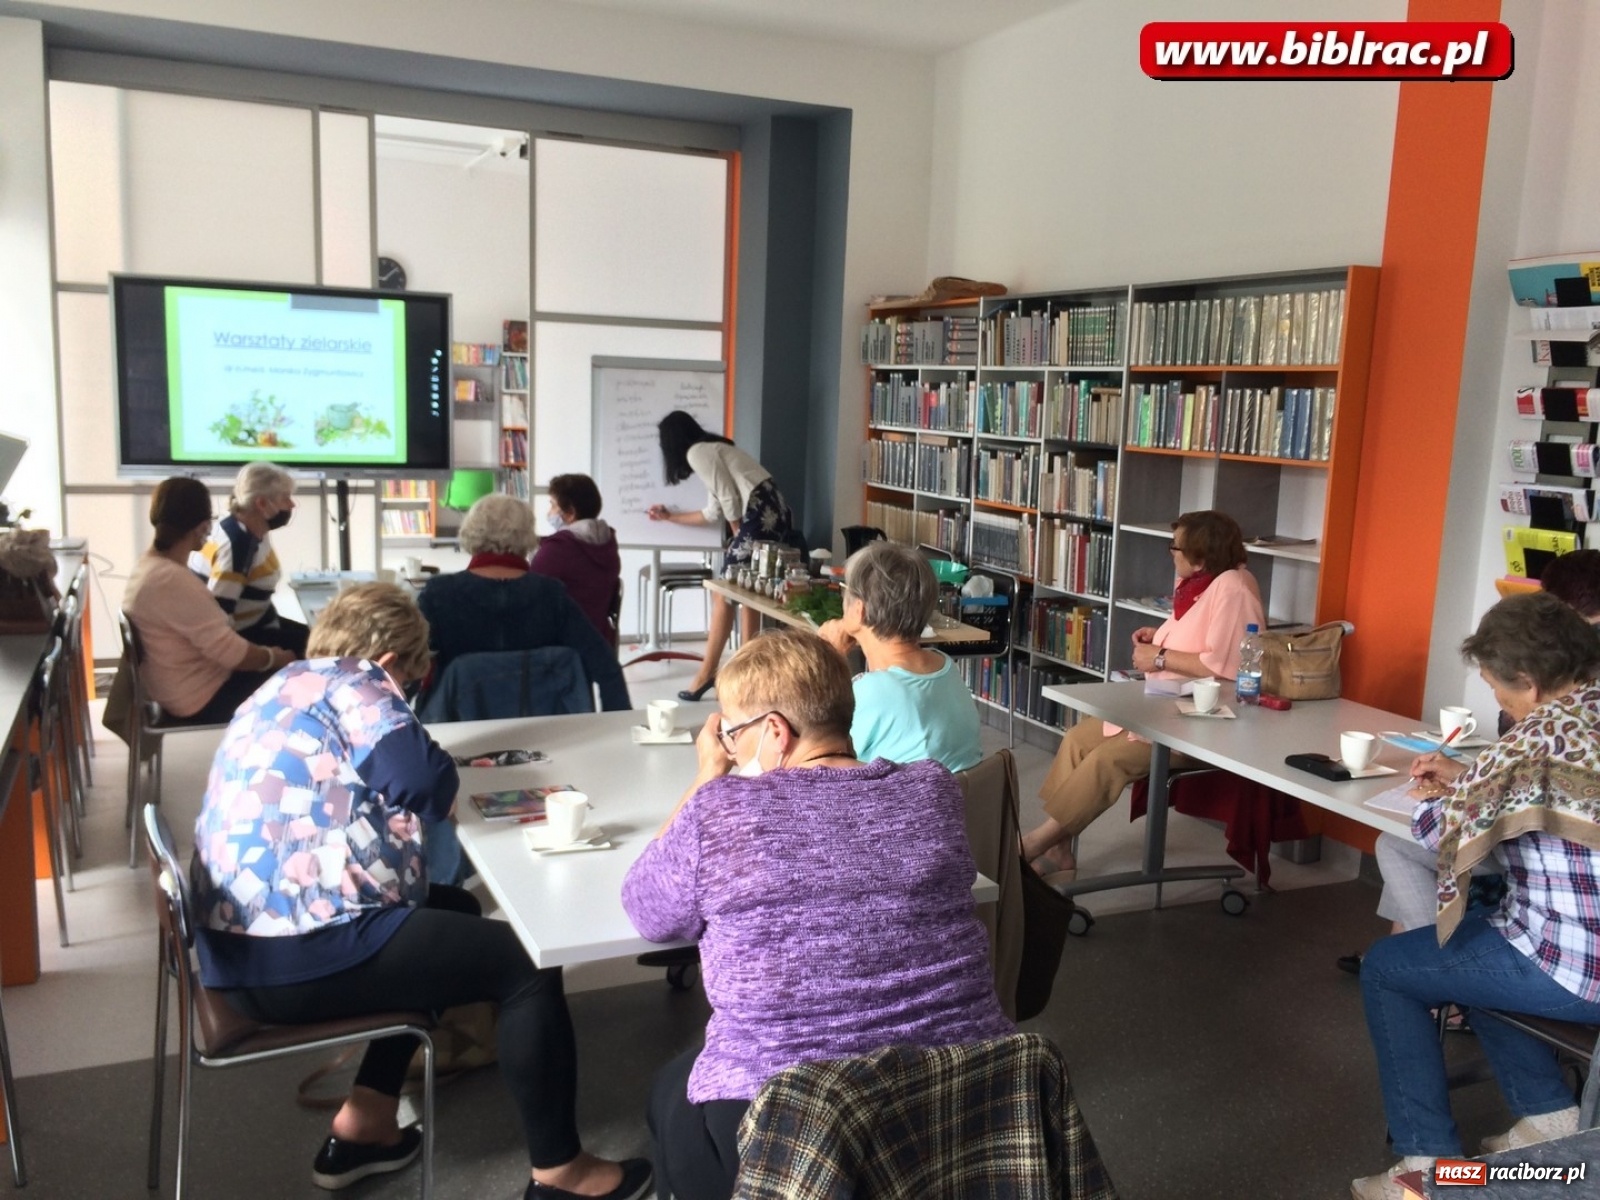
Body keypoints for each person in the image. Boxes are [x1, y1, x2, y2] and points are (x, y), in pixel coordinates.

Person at [190, 582, 652, 1200]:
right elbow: (428, 786)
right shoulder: (360, 681)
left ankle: (367, 1122)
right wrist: (403, 718)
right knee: (527, 963)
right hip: (294, 952)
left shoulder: (287, 685)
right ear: (392, 663)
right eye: (414, 674)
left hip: (237, 942)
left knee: (453, 908)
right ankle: (562, 1175)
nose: (413, 687)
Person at [621, 629, 1014, 1200]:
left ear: (775, 731)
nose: (729, 746)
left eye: (733, 733)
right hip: (962, 1095)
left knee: (671, 1092)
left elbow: (648, 909)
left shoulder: (724, 810)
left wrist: (708, 774)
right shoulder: (933, 790)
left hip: (792, 1120)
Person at [1351, 593, 1600, 1200]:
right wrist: (1474, 780)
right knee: (1481, 935)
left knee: (1389, 968)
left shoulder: (1531, 741)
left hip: (1581, 973)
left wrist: (1439, 796)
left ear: (1529, 682)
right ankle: (1548, 1116)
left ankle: (1425, 1168)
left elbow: (1445, 835)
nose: (1496, 700)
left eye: (1495, 687)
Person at [1338, 548, 1600, 975]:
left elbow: (1451, 818)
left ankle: (1437, 975)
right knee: (1400, 844)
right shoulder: (1571, 698)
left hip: (1561, 888)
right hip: (1539, 821)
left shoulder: (1560, 711)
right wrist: (1470, 777)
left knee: (1410, 843)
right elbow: (1532, 761)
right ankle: (1418, 958)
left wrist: (1449, 793)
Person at [1020, 510, 1264, 874]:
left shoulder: (1234, 586)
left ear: (1200, 557)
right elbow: (1199, 635)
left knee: (1107, 760)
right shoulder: (1203, 584)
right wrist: (1161, 635)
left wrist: (1161, 657)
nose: (1171, 552)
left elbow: (1226, 664)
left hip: (1202, 722)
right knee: (1077, 739)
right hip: (1165, 706)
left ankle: (1036, 843)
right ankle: (1061, 850)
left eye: (1176, 546)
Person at [416, 493, 630, 712]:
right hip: (543, 731)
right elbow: (606, 667)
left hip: (456, 730)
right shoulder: (551, 595)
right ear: (528, 537)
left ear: (470, 533)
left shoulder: (439, 595)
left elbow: (404, 669)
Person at [645, 410, 796, 702]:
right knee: (743, 591)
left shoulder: (698, 452)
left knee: (726, 590)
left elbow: (729, 499)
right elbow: (713, 512)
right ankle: (747, 674)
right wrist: (670, 517)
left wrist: (737, 534)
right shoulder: (715, 449)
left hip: (761, 512)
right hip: (773, 510)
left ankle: (709, 673)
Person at [122, 476, 296, 725]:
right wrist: (276, 658)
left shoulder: (149, 568)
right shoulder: (171, 580)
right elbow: (234, 655)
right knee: (305, 676)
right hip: (201, 697)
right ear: (201, 526)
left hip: (179, 688)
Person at [816, 541, 982, 772]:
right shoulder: (945, 665)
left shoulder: (873, 691)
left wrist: (829, 659)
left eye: (846, 589)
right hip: (960, 803)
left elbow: (816, 752)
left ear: (859, 610)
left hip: (902, 805)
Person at [191, 460, 308, 655]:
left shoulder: (249, 527)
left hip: (261, 622)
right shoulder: (238, 546)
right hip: (245, 639)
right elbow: (220, 619)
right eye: (285, 498)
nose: (292, 504)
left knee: (320, 638)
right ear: (262, 504)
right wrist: (268, 658)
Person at [530, 473, 622, 647]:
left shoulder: (559, 548)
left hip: (563, 644)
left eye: (553, 506)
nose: (549, 512)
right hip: (598, 638)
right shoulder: (608, 541)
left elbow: (530, 590)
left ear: (570, 512)